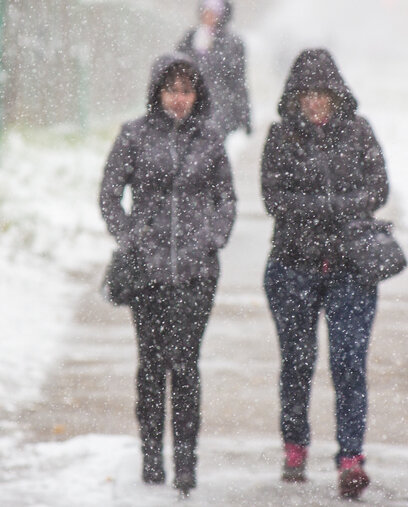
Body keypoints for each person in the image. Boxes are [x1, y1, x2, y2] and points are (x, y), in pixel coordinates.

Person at [99, 53, 236, 496]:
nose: (179, 99)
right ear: (158, 92)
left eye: (187, 90)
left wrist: (211, 238)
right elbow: (109, 194)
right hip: (147, 272)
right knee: (152, 365)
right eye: (172, 90)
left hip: (196, 273)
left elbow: (226, 199)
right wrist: (132, 238)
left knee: (187, 365)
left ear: (198, 95)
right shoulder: (134, 135)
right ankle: (151, 454)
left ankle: (187, 462)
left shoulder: (210, 140)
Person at [260, 48, 389, 500]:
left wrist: (328, 209)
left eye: (321, 95)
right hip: (292, 268)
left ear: (336, 96)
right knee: (296, 363)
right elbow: (273, 198)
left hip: (351, 269)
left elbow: (379, 186)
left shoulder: (359, 132)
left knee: (349, 363)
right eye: (305, 96)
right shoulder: (280, 137)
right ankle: (295, 446)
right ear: (294, 98)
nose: (314, 104)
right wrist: (330, 209)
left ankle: (351, 457)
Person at [177, 0, 251, 137]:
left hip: (220, 108)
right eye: (206, 11)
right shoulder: (190, 38)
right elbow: (177, 70)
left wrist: (244, 116)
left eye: (214, 12)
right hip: (191, 105)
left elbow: (238, 81)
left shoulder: (233, 43)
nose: (209, 15)